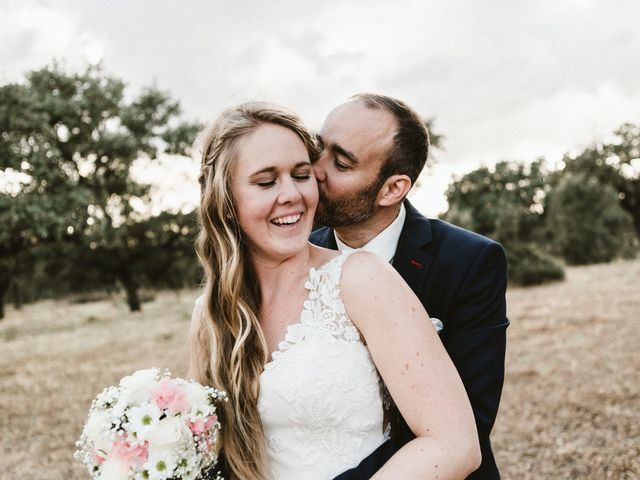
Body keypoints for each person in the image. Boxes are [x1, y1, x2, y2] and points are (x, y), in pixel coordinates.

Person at [189, 102, 481, 480]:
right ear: (225, 200)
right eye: (266, 181)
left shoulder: (361, 278)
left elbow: (454, 443)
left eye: (301, 174)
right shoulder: (209, 312)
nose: (292, 194)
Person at [310, 93, 509, 480]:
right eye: (318, 148)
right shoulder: (295, 255)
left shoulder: (469, 262)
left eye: (341, 162)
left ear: (392, 189)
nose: (315, 169)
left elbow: (470, 418)